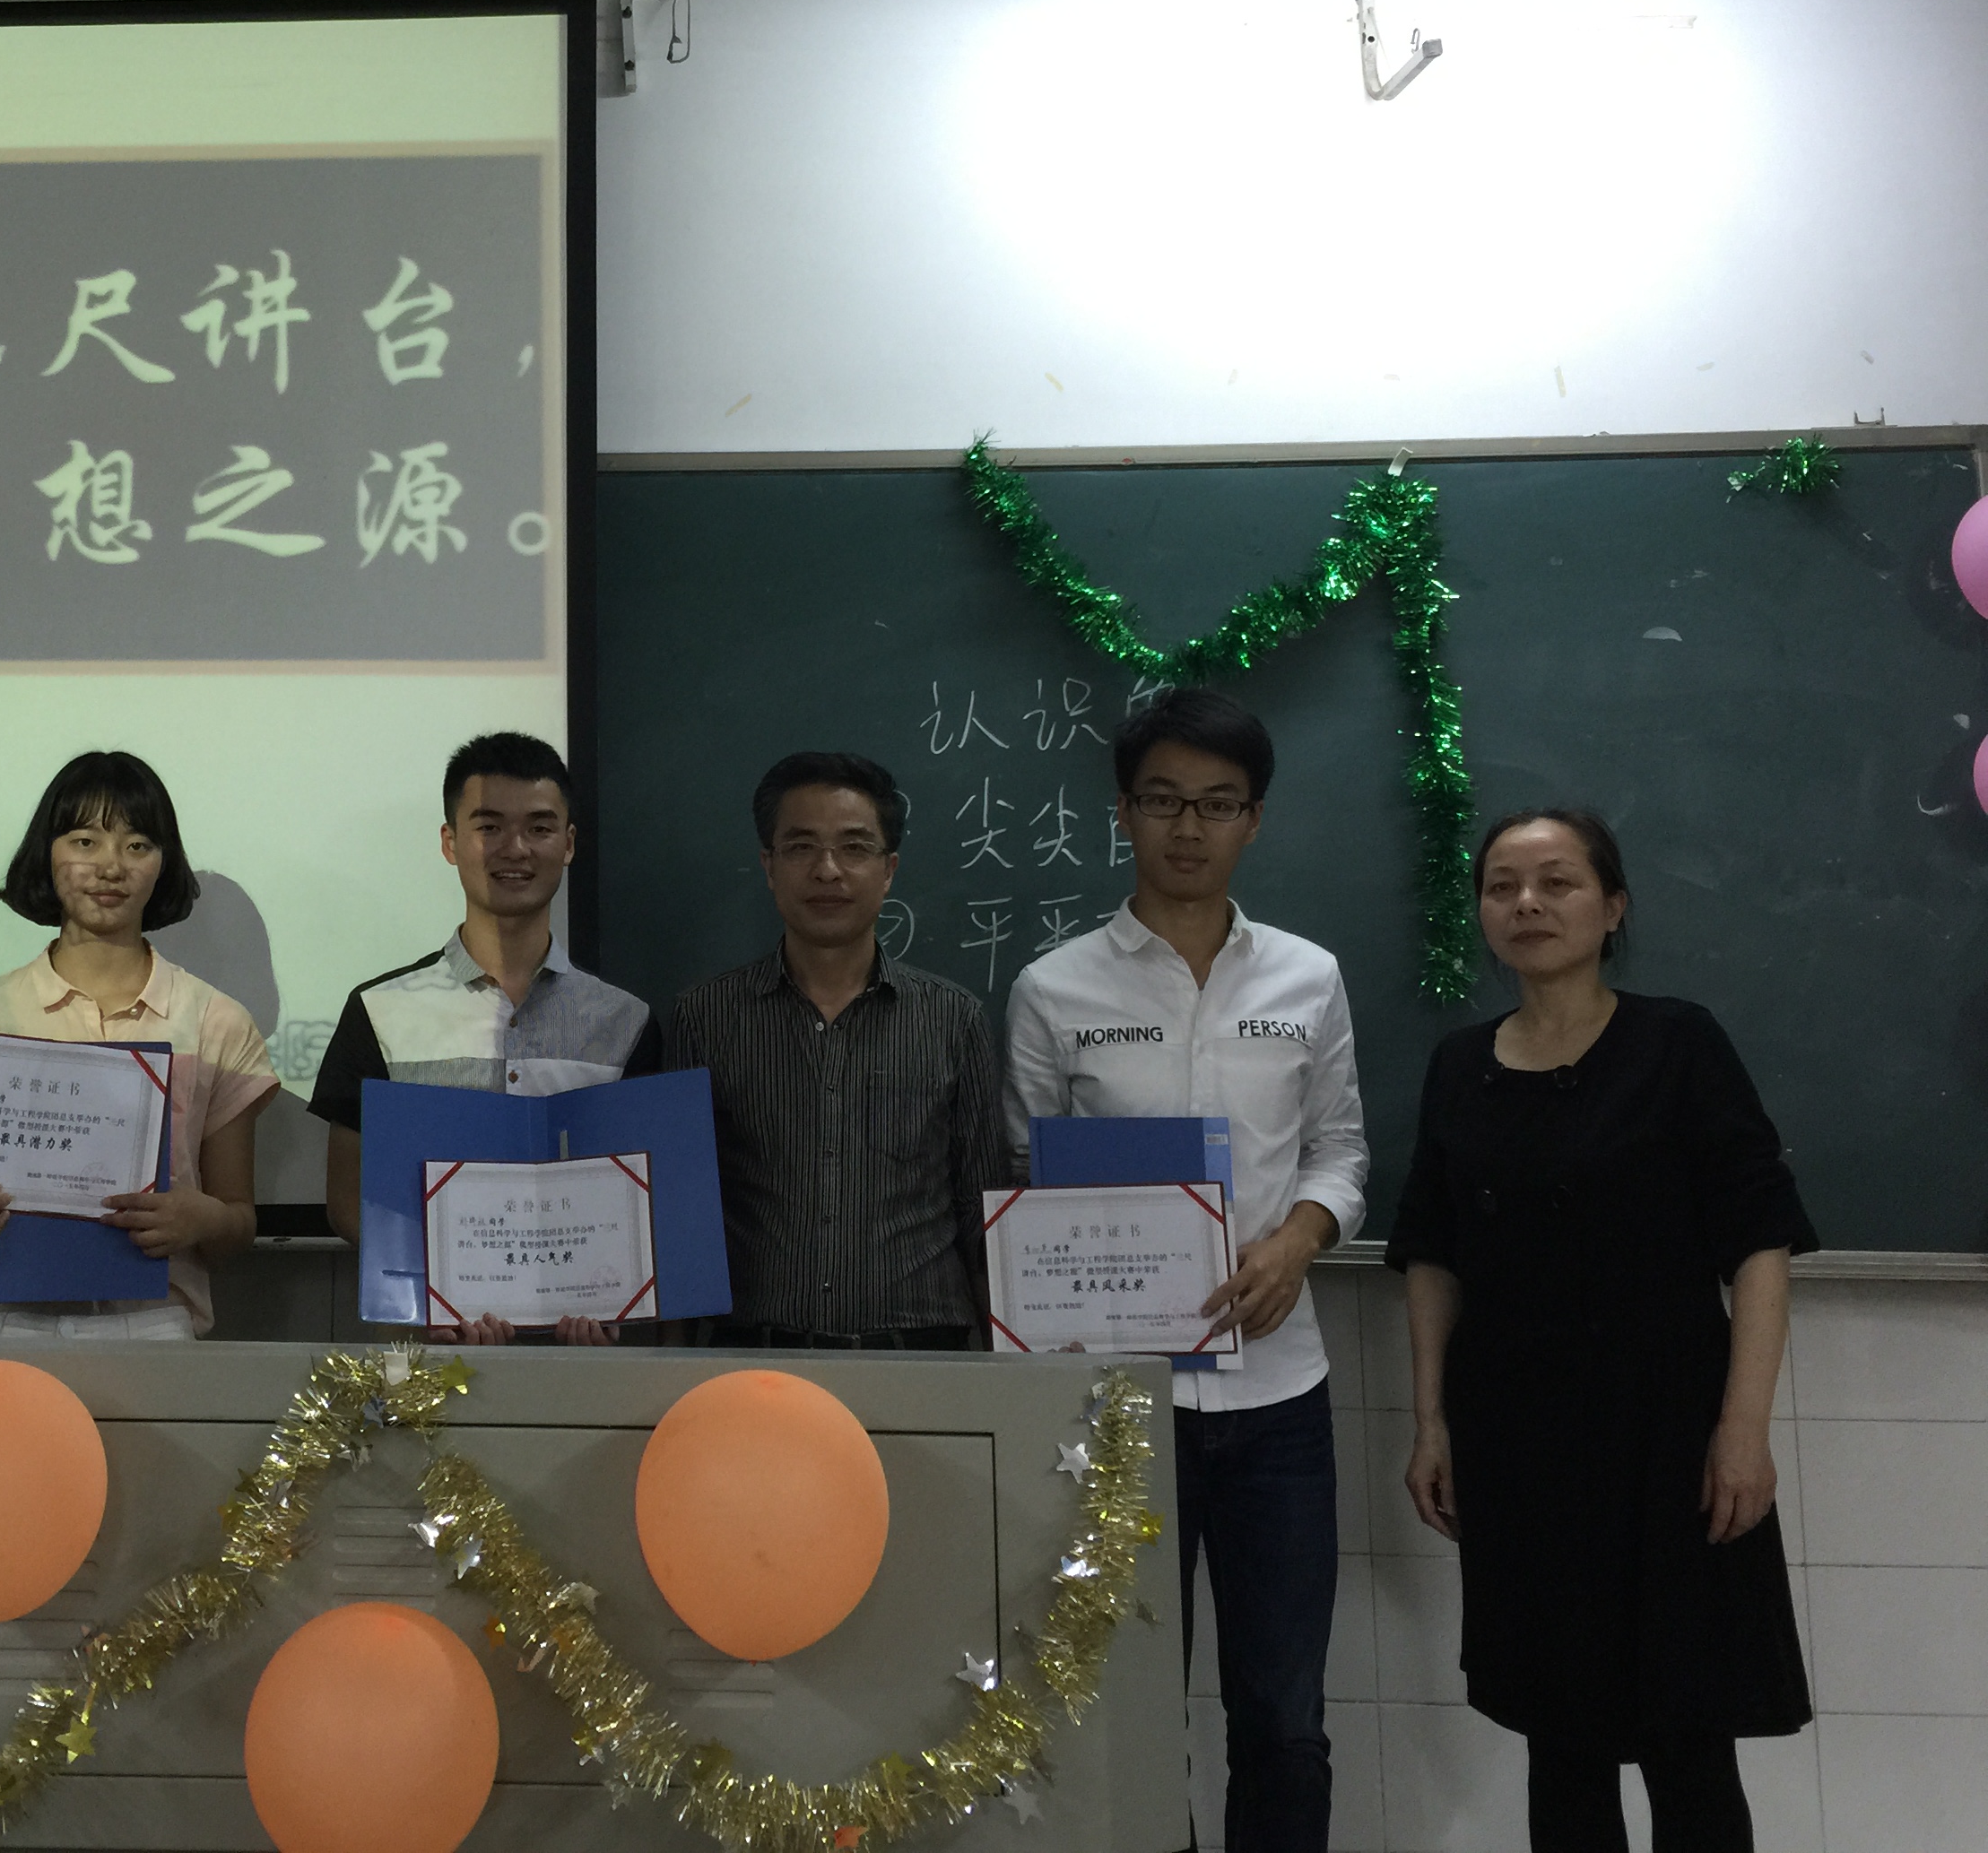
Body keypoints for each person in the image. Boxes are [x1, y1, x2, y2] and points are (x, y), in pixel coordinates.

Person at [1391, 810, 1814, 1853]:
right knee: (1560, 1739)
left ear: (1613, 906)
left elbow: (1759, 1245)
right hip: (1518, 1442)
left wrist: (1744, 1430)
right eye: (1501, 886)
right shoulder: (1459, 1065)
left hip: (1670, 1436)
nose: (1527, 904)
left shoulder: (1677, 1044)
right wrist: (1433, 1423)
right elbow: (1433, 1255)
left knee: (1689, 1736)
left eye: (1557, 882)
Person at [1003, 687, 1367, 1853]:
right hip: (1118, 1405)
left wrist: (1301, 1237)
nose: (1188, 828)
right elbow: (1021, 1183)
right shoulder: (1054, 988)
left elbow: (1341, 1150)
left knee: (1283, 1719)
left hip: (1279, 1401)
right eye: (1163, 801)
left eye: (1217, 804)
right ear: (1123, 813)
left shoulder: (1307, 977)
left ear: (1254, 820)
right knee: (1134, 1716)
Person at [0, 751, 274, 1341]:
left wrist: (202, 1219)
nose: (111, 866)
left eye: (137, 845)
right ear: (47, 855)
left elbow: (237, 1222)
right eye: (84, 841)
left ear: (164, 864)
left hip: (148, 1324)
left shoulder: (216, 1022)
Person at [313, 731, 660, 1345]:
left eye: (539, 828)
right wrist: (450, 1288)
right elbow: (348, 1200)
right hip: (432, 1350)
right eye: (489, 827)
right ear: (450, 842)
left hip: (585, 1357)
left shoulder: (626, 1021)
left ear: (569, 843)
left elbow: (647, 1203)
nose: (515, 849)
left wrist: (607, 1296)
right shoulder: (379, 1011)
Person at [664, 750, 1016, 1347]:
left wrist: (1010, 1373)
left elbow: (983, 1215)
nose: (828, 870)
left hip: (922, 1361)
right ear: (769, 865)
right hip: (755, 1362)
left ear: (889, 869)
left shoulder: (953, 1018)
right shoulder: (706, 1017)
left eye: (854, 848)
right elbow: (680, 1215)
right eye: (801, 847)